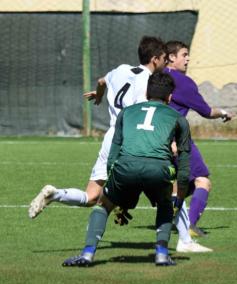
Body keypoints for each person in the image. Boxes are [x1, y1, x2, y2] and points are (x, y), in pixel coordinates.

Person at [28, 36, 167, 217]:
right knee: (148, 182)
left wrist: (99, 95)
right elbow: (139, 113)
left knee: (91, 196)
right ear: (155, 59)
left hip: (111, 138)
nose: (166, 63)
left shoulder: (122, 69)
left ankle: (55, 194)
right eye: (164, 59)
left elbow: (102, 81)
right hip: (129, 140)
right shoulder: (148, 82)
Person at [63, 72, 188, 267]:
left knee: (103, 205)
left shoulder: (127, 112)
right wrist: (178, 195)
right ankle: (162, 253)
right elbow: (184, 159)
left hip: (125, 167)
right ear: (170, 97)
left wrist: (116, 188)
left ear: (146, 92)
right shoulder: (178, 118)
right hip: (159, 169)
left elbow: (114, 153)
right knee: (165, 204)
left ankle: (87, 254)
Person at [163, 40, 233, 240]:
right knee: (202, 181)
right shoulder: (182, 82)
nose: (188, 58)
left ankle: (170, 213)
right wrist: (224, 113)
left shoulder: (155, 77)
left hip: (152, 137)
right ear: (171, 58)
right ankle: (190, 225)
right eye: (184, 54)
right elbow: (206, 112)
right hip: (177, 138)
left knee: (181, 184)